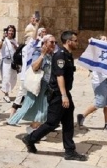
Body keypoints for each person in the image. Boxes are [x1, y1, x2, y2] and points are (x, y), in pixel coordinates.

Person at [22, 31, 87, 161]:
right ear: (69, 42)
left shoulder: (68, 55)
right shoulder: (60, 56)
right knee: (52, 123)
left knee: (68, 123)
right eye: (75, 40)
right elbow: (59, 76)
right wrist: (63, 96)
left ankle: (70, 151)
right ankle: (30, 138)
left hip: (64, 93)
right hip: (58, 94)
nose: (77, 42)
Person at [7, 34, 56, 136]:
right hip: (38, 87)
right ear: (45, 44)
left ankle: (35, 128)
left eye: (55, 42)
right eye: (51, 42)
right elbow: (34, 67)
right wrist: (42, 55)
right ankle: (31, 128)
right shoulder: (38, 53)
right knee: (36, 109)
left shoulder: (52, 55)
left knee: (43, 110)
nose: (54, 44)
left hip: (47, 87)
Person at [77, 35, 107, 132]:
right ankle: (82, 116)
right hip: (99, 81)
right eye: (103, 39)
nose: (105, 40)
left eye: (106, 39)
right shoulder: (95, 52)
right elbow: (90, 42)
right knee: (99, 103)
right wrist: (98, 42)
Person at [0, 25, 18, 103]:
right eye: (9, 30)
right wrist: (2, 39)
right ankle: (6, 94)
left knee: (13, 78)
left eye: (12, 31)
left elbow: (17, 50)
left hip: (13, 62)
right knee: (6, 78)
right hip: (5, 62)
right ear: (7, 31)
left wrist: (15, 46)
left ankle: (8, 91)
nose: (11, 32)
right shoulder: (4, 40)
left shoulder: (14, 40)